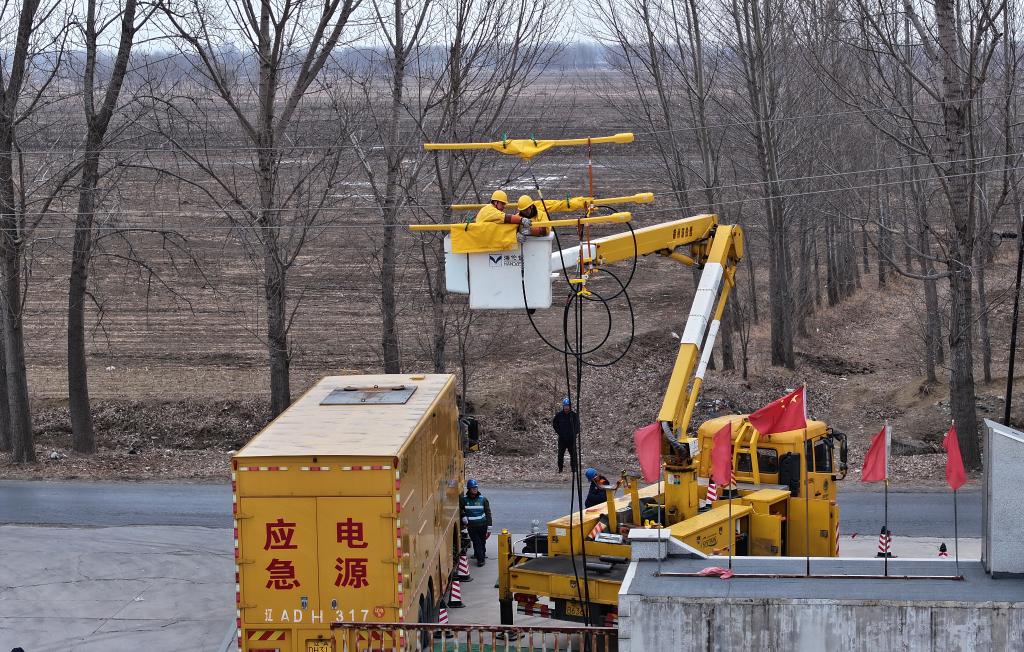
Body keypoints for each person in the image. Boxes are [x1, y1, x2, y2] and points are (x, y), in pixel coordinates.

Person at [460, 478, 492, 566]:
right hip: (471, 526)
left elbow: (488, 513)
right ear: (469, 489)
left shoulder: (483, 499)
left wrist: (489, 527)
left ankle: (481, 554)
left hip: (482, 525)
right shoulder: (464, 500)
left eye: (476, 487)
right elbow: (460, 509)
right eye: (473, 488)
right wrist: (463, 516)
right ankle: (481, 560)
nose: (475, 489)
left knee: (482, 541)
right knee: (476, 542)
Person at [551, 397, 579, 473]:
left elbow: (578, 426)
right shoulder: (559, 415)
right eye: (565, 406)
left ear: (570, 406)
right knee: (560, 455)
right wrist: (559, 432)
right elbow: (555, 424)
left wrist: (574, 433)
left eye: (567, 406)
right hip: (562, 439)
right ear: (563, 406)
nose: (566, 407)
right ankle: (560, 469)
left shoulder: (574, 415)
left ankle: (573, 469)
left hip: (571, 439)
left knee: (573, 455)